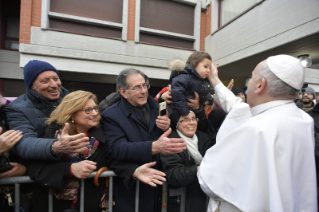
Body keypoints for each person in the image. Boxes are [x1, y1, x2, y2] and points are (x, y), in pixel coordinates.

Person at [198, 55, 317, 212]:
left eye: (252, 78)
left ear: (260, 85)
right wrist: (215, 80)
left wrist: (202, 170)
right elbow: (236, 106)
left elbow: (211, 184)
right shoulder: (302, 119)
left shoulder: (257, 128)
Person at [28, 90, 166, 212]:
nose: (94, 113)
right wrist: (70, 169)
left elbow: (113, 160)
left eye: (95, 108)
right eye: (88, 110)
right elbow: (36, 169)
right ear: (72, 114)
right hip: (53, 205)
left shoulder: (101, 135)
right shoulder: (53, 133)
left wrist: (134, 171)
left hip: (89, 204)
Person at [101, 68, 187, 212]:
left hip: (159, 191)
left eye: (145, 85)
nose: (143, 91)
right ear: (123, 92)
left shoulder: (157, 108)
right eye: (136, 87)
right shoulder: (111, 116)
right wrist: (153, 147)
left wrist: (166, 126)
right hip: (131, 193)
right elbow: (117, 148)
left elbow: (164, 137)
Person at [5, 60, 89, 160]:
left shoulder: (71, 100)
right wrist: (55, 146)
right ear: (32, 86)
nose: (54, 85)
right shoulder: (16, 109)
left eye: (55, 78)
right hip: (43, 170)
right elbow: (24, 144)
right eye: (45, 81)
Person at [161, 110, 211, 212]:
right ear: (177, 123)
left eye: (193, 119)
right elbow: (174, 174)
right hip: (181, 202)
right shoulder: (170, 142)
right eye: (185, 120)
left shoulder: (203, 138)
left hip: (203, 198)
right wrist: (197, 169)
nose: (191, 123)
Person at [169, 51, 214, 116]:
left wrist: (209, 100)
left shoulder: (204, 81)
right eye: (205, 67)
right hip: (179, 113)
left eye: (210, 68)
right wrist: (185, 113)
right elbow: (178, 95)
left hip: (194, 112)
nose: (208, 70)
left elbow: (205, 93)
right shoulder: (184, 77)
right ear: (194, 65)